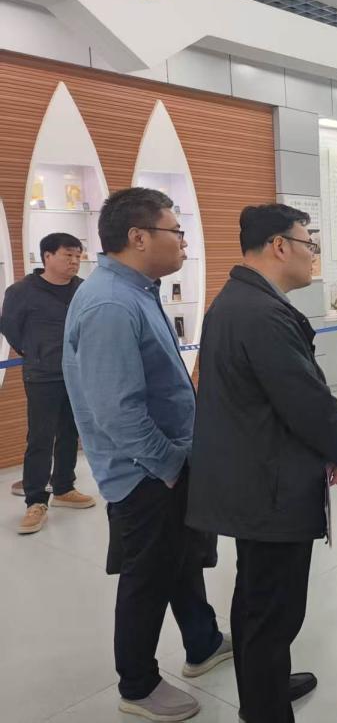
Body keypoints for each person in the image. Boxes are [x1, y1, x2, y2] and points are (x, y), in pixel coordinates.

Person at [62, 188, 229, 722]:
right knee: (148, 577)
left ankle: (202, 641)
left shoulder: (136, 291)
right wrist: (170, 465)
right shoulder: (111, 303)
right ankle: (137, 685)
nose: (184, 242)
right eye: (175, 231)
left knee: (181, 561)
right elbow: (117, 411)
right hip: (145, 473)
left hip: (165, 464)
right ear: (138, 237)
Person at [187, 204, 337, 723]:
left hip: (255, 476)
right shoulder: (260, 312)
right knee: (271, 607)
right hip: (269, 486)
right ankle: (265, 709)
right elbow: (304, 398)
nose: (312, 256)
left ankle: (267, 687)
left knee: (258, 596)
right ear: (280, 246)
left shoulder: (240, 301)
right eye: (309, 245)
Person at [0, 232, 95, 533]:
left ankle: (64, 487)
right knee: (41, 437)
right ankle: (35, 501)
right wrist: (35, 352)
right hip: (42, 375)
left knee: (70, 432)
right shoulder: (22, 291)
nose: (75, 261)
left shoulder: (83, 288)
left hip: (77, 373)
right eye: (68, 255)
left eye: (78, 255)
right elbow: (11, 328)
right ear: (47, 256)